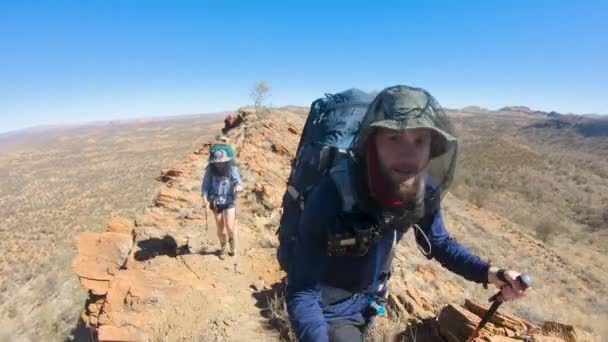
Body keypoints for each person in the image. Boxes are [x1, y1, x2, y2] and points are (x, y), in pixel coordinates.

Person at [286, 85, 530, 342]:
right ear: (373, 144)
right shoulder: (333, 193)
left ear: (431, 148)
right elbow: (302, 291)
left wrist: (492, 274)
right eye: (394, 138)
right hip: (330, 305)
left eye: (419, 140)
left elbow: (439, 243)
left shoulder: (422, 189)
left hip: (372, 298)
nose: (408, 155)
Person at [201, 144, 244, 259]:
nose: (219, 164)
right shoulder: (210, 171)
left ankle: (232, 248)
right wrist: (205, 200)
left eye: (221, 162)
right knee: (220, 228)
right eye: (217, 162)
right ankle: (223, 246)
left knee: (230, 226)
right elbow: (204, 187)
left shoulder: (231, 169)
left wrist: (238, 187)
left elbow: (239, 183)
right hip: (215, 202)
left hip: (229, 200)